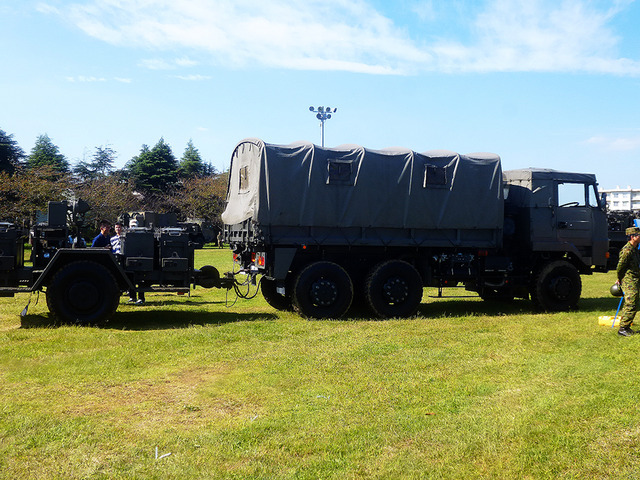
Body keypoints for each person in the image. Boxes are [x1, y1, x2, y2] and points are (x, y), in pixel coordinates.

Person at [110, 221, 145, 305]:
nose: (118, 229)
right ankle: (132, 297)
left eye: (119, 227)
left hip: (132, 259)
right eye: (116, 227)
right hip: (120, 260)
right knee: (129, 279)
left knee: (139, 279)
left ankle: (141, 298)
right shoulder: (112, 239)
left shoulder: (130, 237)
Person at [615, 226, 640, 337]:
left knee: (635, 303)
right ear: (632, 237)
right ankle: (623, 328)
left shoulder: (635, 249)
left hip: (635, 278)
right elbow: (620, 266)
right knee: (631, 302)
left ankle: (627, 327)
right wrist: (619, 279)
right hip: (628, 279)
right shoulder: (627, 250)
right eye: (639, 235)